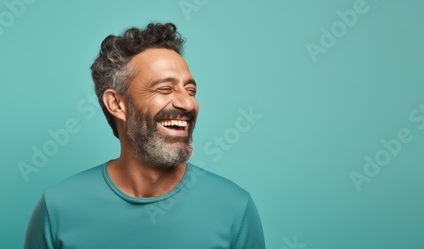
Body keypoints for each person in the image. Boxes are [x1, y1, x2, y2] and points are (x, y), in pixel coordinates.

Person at [24, 22, 266, 249]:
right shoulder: (56, 209)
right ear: (117, 104)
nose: (187, 103)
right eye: (164, 88)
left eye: (190, 90)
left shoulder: (235, 208)